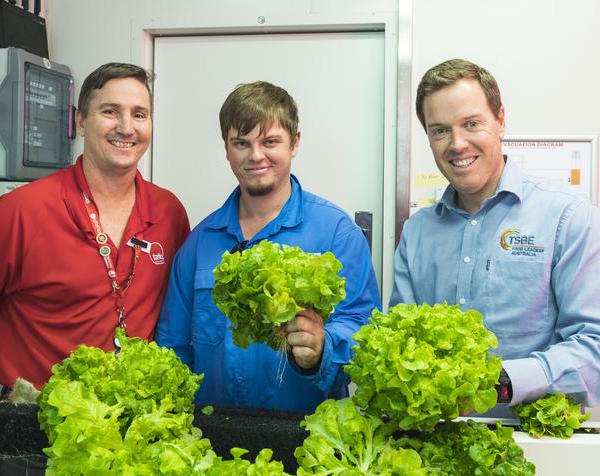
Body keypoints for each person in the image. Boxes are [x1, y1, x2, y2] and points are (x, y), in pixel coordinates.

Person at [0, 63, 190, 476]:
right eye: (109, 111)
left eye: (139, 114)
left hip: (136, 439)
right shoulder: (21, 211)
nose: (126, 127)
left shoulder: (169, 213)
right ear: (80, 120)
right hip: (38, 443)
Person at [155, 81, 381, 412]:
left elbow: (362, 326)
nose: (256, 156)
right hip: (215, 438)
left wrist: (323, 349)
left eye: (270, 141)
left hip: (307, 441)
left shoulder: (336, 233)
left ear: (295, 143)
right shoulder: (200, 243)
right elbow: (172, 347)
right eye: (241, 143)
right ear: (227, 149)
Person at [390, 58, 600, 413]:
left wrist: (502, 384)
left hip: (535, 442)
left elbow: (593, 346)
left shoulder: (568, 218)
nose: (457, 144)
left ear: (500, 120)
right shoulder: (417, 232)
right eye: (439, 130)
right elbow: (399, 344)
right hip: (435, 441)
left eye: (471, 123)